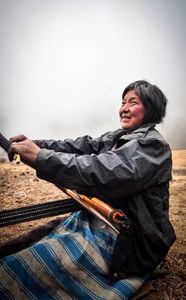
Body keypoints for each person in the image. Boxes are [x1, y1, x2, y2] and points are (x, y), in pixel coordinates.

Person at [0, 80, 176, 300]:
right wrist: (36, 144)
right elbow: (82, 146)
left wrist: (40, 157)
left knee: (25, 267)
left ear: (151, 108)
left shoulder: (153, 146)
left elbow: (103, 172)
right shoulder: (117, 137)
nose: (124, 108)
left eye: (133, 102)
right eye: (123, 102)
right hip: (101, 218)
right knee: (28, 241)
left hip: (129, 238)